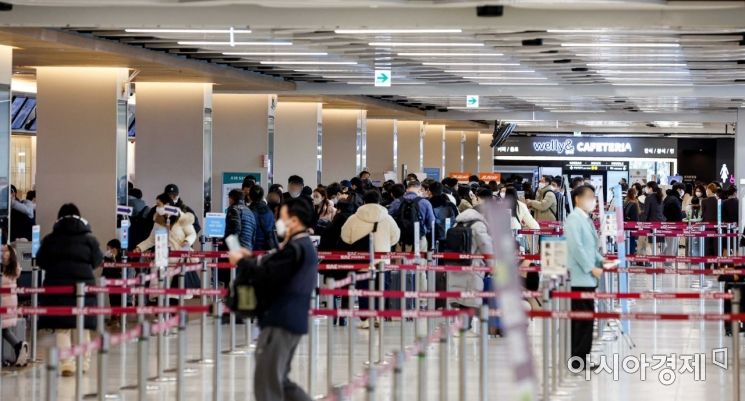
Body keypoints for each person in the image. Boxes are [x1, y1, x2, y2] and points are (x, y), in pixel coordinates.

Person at [228, 198, 317, 401]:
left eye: (282, 218)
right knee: (280, 381)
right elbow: (273, 269)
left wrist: (242, 262)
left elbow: (268, 274)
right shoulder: (301, 247)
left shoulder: (295, 248)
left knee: (267, 382)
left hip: (281, 319)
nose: (279, 222)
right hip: (291, 319)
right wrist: (249, 260)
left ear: (293, 221)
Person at [37, 203, 103, 376]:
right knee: (82, 327)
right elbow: (97, 261)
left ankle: (66, 363)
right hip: (83, 288)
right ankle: (84, 363)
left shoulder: (50, 239)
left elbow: (41, 261)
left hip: (58, 288)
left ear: (59, 219)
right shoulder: (89, 239)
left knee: (62, 327)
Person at [341, 190, 401, 329]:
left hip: (361, 259)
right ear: (379, 201)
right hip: (382, 261)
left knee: (363, 290)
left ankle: (365, 319)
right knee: (381, 289)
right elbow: (395, 237)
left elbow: (345, 237)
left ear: (363, 201)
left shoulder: (354, 218)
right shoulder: (388, 218)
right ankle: (378, 316)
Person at [565, 185, 604, 371]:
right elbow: (576, 248)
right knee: (581, 321)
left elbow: (591, 248)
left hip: (588, 279)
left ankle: (582, 357)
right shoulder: (573, 219)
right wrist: (591, 268)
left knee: (587, 321)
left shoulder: (586, 219)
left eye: (593, 197)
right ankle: (577, 359)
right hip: (580, 278)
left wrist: (603, 262)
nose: (592, 200)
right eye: (588, 196)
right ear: (577, 199)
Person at [1, 244, 29, 367]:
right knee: (4, 330)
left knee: (4, 330)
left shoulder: (4, 271)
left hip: (3, 303)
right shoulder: (13, 268)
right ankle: (18, 346)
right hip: (10, 303)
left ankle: (18, 345)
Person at [389, 180, 435, 250]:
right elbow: (431, 222)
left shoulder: (397, 202)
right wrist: (423, 230)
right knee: (420, 260)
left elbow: (389, 219)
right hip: (420, 238)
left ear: (407, 189)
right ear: (419, 189)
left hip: (401, 239)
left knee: (401, 260)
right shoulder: (425, 202)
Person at [427, 181, 459, 247]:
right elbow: (457, 218)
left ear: (430, 192)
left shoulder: (428, 204)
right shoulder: (450, 204)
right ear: (442, 191)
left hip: (431, 236)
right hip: (448, 236)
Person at [248, 185, 277, 251]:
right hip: (267, 246)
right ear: (262, 197)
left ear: (249, 196)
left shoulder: (248, 212)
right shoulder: (269, 211)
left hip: (252, 246)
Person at [662, 183, 684, 258]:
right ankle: (668, 263)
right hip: (673, 226)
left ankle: (666, 260)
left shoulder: (669, 197)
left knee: (669, 245)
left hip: (668, 224)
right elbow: (677, 215)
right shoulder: (674, 199)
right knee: (671, 245)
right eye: (682, 190)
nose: (682, 192)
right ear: (678, 189)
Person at [623, 187, 642, 255]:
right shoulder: (633, 204)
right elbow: (635, 217)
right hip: (631, 226)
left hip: (627, 226)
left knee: (628, 242)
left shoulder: (626, 202)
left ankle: (629, 255)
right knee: (631, 241)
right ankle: (630, 256)